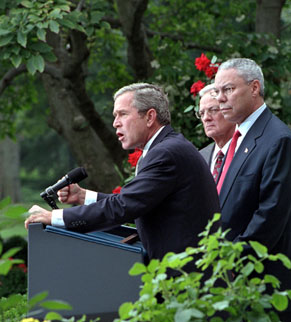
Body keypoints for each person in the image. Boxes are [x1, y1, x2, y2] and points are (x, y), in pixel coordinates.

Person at [25, 82, 220, 266]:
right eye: (115, 116)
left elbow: (124, 206)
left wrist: (55, 218)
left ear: (150, 117)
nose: (115, 123)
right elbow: (135, 201)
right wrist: (84, 197)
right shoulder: (162, 148)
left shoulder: (165, 154)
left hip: (188, 278)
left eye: (122, 114)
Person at [212, 58, 291, 322]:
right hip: (233, 282)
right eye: (216, 91)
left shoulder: (277, 140)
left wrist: (230, 261)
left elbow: (269, 216)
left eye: (227, 89)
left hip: (260, 280)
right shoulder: (239, 138)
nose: (220, 98)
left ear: (254, 88)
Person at [198, 83, 235, 181]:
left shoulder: (247, 151)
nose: (206, 118)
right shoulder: (200, 157)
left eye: (213, 110)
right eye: (202, 113)